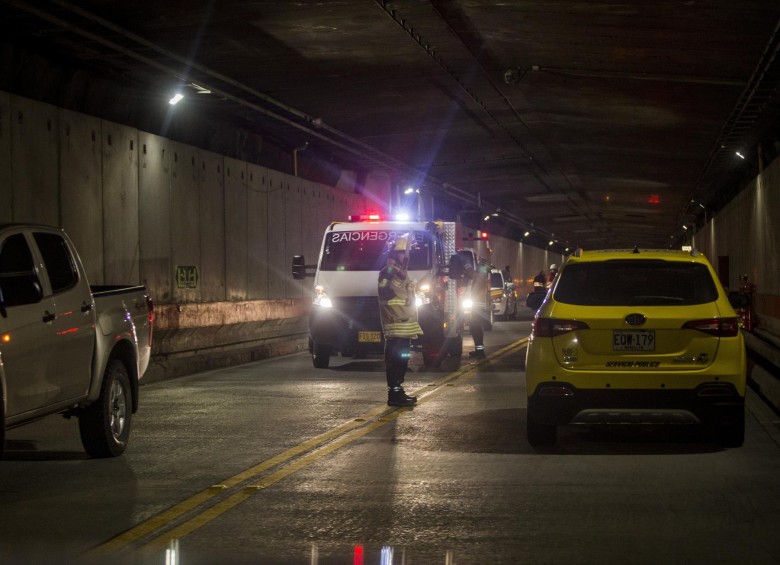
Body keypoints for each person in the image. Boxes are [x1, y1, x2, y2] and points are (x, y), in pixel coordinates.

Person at [378, 235, 423, 407]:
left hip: (405, 324)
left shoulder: (400, 271)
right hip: (395, 323)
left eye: (406, 253)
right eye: (402, 253)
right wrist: (397, 274)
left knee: (403, 360)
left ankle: (398, 391)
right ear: (394, 254)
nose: (405, 256)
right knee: (395, 361)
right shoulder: (388, 271)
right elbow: (386, 290)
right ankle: (394, 395)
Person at [466, 259, 491, 359]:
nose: (478, 266)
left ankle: (479, 351)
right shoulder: (483, 276)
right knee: (475, 329)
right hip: (479, 308)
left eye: (480, 265)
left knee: (475, 329)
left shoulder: (481, 276)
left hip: (478, 308)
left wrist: (467, 264)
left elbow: (471, 273)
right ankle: (479, 350)